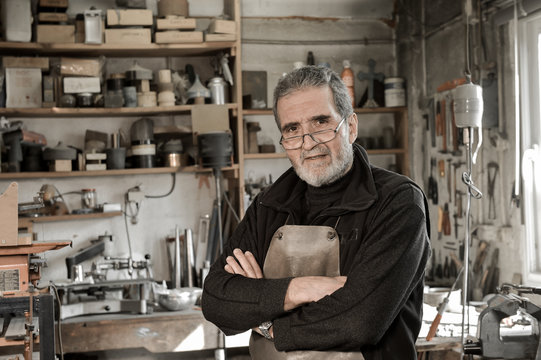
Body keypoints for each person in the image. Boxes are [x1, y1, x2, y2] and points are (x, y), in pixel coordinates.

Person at [202, 65, 431, 359]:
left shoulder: (396, 202)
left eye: (320, 123)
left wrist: (266, 319)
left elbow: (358, 321)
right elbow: (216, 299)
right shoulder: (268, 206)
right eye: (293, 130)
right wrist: (304, 289)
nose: (308, 143)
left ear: (351, 127)